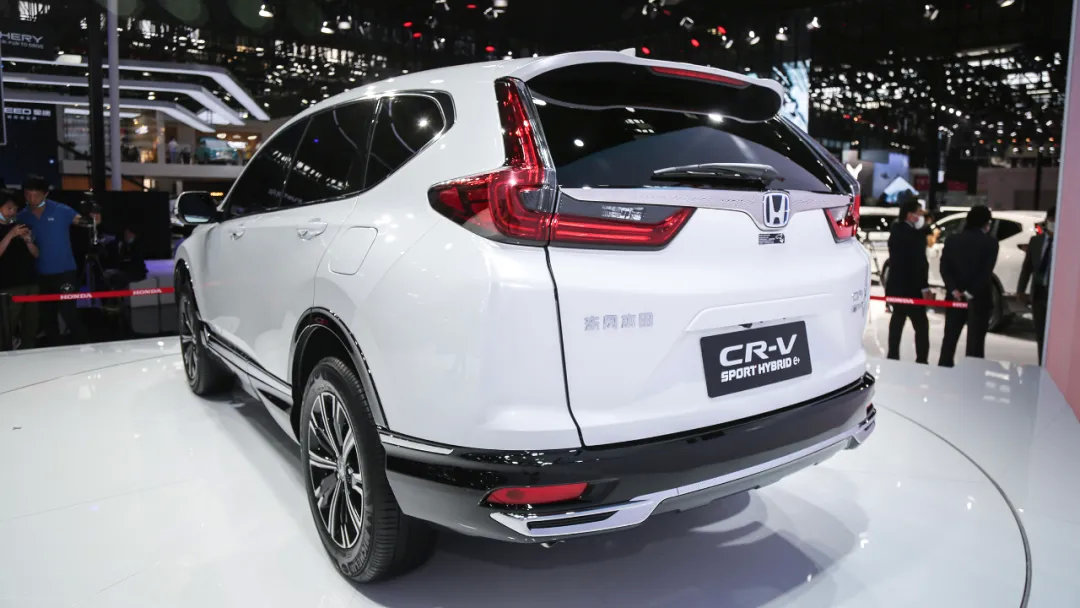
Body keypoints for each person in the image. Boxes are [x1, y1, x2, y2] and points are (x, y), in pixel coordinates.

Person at [16, 176, 97, 344]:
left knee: (70, 314)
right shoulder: (22, 216)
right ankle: (54, 352)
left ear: (45, 194)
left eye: (36, 195)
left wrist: (94, 217)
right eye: (28, 195)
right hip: (41, 275)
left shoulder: (61, 210)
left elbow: (85, 222)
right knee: (47, 317)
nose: (31, 199)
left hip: (65, 273)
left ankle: (87, 347)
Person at [938, 205, 999, 367]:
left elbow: (944, 268)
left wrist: (954, 290)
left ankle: (943, 371)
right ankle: (972, 376)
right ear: (986, 223)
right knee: (976, 344)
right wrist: (969, 292)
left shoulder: (952, 240)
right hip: (979, 298)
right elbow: (985, 273)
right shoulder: (991, 243)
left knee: (949, 339)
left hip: (954, 298)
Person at [886, 197, 933, 363]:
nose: (920, 217)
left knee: (897, 321)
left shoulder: (895, 230)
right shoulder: (916, 236)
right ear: (909, 214)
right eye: (918, 213)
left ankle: (892, 356)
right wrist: (924, 287)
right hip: (913, 288)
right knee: (921, 326)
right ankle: (922, 360)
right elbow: (920, 264)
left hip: (897, 287)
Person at [0, 191, 40, 349]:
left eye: (15, 209)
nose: (12, 212)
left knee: (31, 324)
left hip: (31, 282)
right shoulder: (9, 230)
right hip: (9, 286)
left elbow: (36, 254)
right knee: (7, 325)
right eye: (9, 208)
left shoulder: (23, 226)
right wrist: (11, 234)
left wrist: (28, 241)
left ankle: (28, 352)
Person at [1017, 206, 1055, 364]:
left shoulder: (1067, 243)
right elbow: (1027, 268)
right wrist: (1021, 290)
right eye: (1051, 220)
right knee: (1040, 334)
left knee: (1054, 337)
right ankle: (1042, 365)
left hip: (1056, 297)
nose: (1052, 223)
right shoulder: (1036, 241)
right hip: (1038, 293)